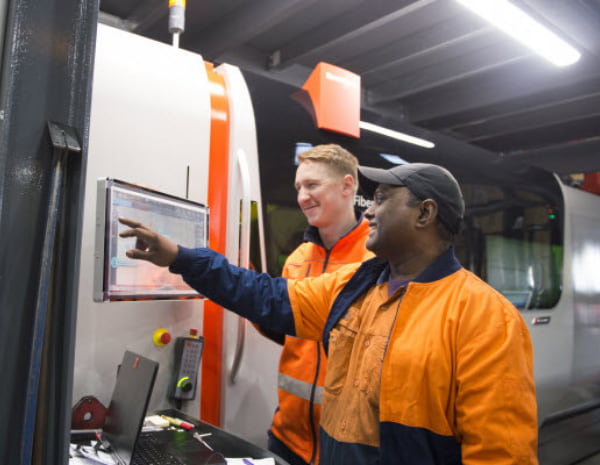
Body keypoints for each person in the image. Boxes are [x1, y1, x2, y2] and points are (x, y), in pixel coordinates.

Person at [119, 162, 538, 465]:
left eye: (381, 200)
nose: (368, 212)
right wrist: (180, 258)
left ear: (425, 214)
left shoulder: (485, 317)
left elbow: (503, 455)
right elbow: (268, 297)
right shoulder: (356, 285)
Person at [259, 144, 373, 465]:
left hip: (347, 445)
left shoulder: (377, 257)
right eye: (298, 187)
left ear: (347, 186)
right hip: (287, 438)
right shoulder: (297, 260)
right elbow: (286, 330)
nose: (302, 197)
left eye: (312, 185)